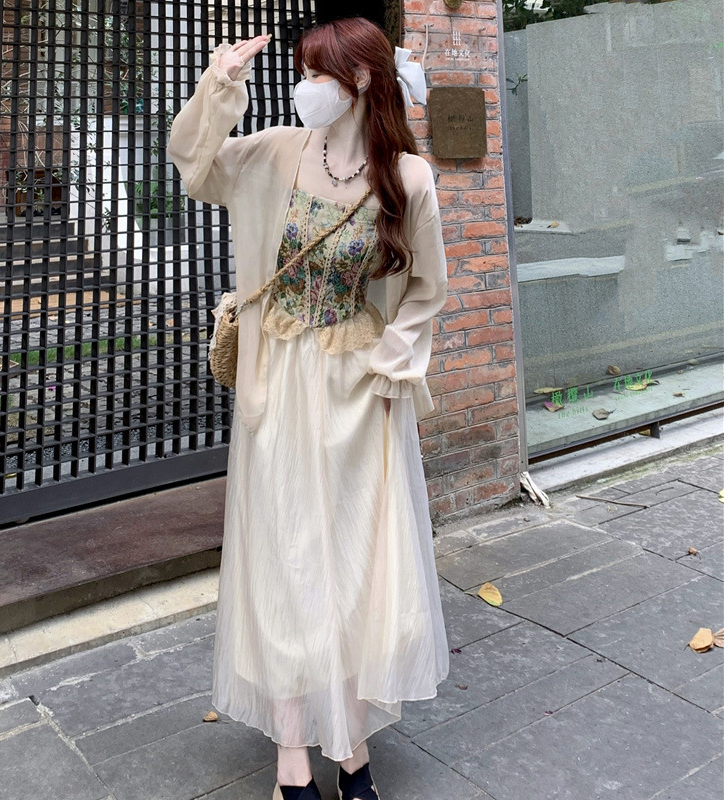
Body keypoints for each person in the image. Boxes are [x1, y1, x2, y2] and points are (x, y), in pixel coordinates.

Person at [167, 16, 450, 800]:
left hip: (358, 391)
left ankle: (349, 740)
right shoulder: (276, 152)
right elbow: (195, 166)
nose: (306, 87)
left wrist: (392, 368)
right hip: (279, 385)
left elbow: (427, 290)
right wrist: (220, 85)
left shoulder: (409, 179)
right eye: (303, 71)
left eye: (318, 73)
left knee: (356, 566)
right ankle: (293, 750)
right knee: (284, 561)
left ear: (360, 80)